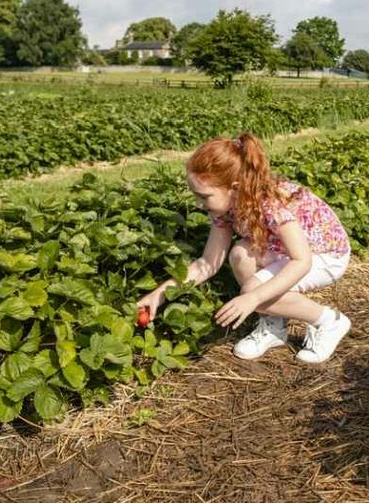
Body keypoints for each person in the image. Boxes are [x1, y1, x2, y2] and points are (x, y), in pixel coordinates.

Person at [136, 133, 352, 364]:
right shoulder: (225, 208)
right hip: (283, 251)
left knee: (251, 290)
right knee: (240, 254)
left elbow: (302, 261)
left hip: (325, 254)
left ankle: (329, 321)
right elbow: (207, 263)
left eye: (204, 196)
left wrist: (254, 298)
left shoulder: (271, 203)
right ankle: (274, 326)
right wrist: (158, 295)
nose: (199, 204)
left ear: (234, 188)